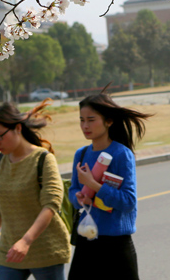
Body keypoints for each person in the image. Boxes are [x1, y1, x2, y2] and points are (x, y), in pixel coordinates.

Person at [0, 102, 71, 280]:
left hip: (45, 249)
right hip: (9, 250)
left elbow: (51, 204)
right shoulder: (0, 161)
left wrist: (26, 241)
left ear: (17, 128)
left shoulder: (43, 159)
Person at [68, 94, 153, 280]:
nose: (85, 126)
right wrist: (79, 198)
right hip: (87, 240)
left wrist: (93, 185)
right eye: (81, 120)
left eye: (91, 120)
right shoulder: (81, 154)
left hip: (116, 245)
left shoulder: (122, 154)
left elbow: (128, 202)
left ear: (108, 121)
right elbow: (72, 191)